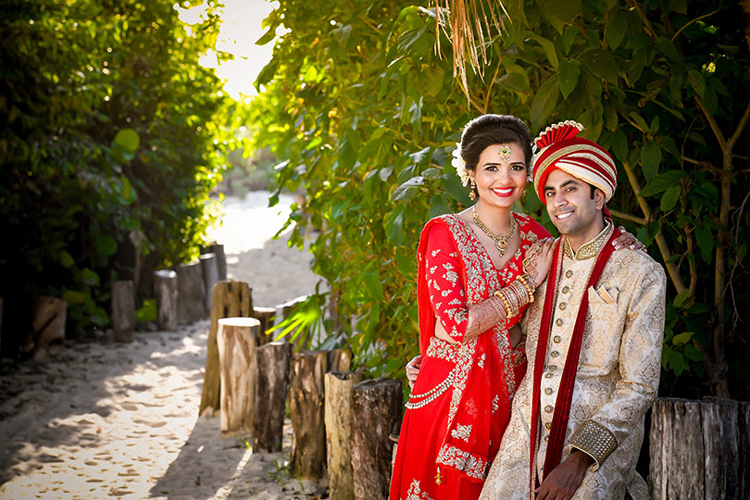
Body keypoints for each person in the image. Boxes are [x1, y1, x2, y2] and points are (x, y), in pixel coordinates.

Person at [389, 115, 640, 500]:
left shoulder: (538, 237)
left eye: (516, 167)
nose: (504, 179)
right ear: (470, 173)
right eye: (491, 167)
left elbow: (584, 251)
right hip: (451, 398)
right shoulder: (444, 234)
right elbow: (457, 325)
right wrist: (524, 286)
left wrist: (621, 243)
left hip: (514, 405)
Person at [478, 121, 667, 500]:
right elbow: (506, 335)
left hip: (596, 442)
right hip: (526, 431)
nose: (558, 202)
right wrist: (438, 361)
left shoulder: (639, 271)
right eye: (549, 192)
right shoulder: (539, 259)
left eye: (570, 188)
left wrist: (579, 461)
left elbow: (640, 386)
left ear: (599, 196)